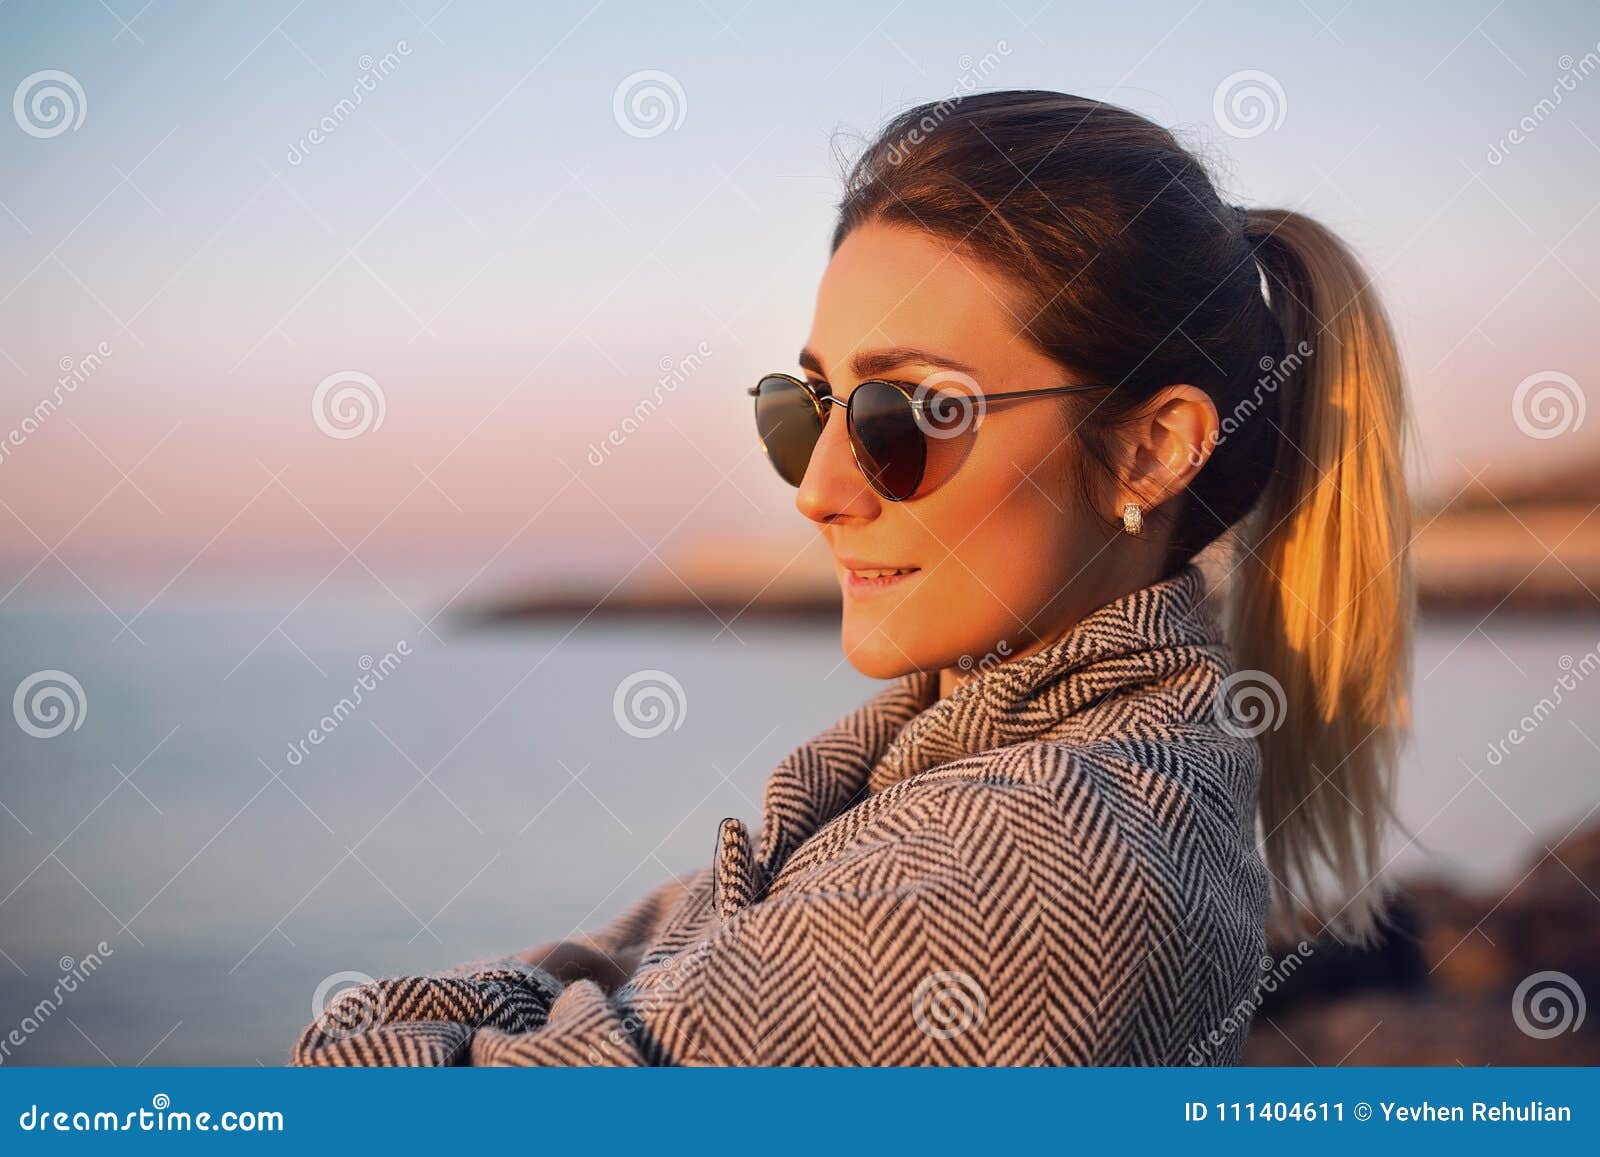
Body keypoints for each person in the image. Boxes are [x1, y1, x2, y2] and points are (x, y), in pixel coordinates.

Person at [292, 89, 1412, 1067]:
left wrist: (538, 1008)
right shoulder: (958, 760)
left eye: (911, 411)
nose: (817, 488)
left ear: (1152, 448)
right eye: (808, 405)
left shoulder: (1030, 873)